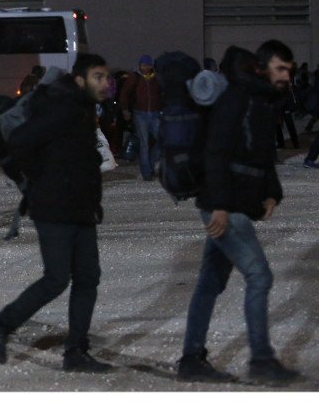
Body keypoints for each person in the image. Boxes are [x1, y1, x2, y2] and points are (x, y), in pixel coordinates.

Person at [176, 41, 301, 385]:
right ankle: (261, 360)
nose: (285, 76)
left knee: (209, 283)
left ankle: (191, 358)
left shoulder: (259, 101)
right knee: (259, 276)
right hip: (226, 208)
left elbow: (261, 155)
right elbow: (215, 152)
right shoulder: (236, 98)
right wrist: (218, 205)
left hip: (235, 204)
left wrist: (272, 193)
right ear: (261, 68)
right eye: (279, 68)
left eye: (288, 69)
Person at [0, 53, 113, 372]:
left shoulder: (81, 107)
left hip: (80, 208)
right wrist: (43, 181)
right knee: (57, 278)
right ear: (80, 79)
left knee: (88, 277)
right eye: (98, 76)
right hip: (54, 207)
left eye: (106, 76)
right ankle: (1, 324)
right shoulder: (63, 107)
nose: (106, 83)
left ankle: (76, 352)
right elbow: (20, 142)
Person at [119, 54, 161, 181]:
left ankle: (149, 165)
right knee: (144, 144)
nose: (145, 68)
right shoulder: (134, 77)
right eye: (143, 65)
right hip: (140, 114)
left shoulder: (156, 78)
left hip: (155, 113)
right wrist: (125, 110)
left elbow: (162, 93)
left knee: (162, 140)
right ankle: (147, 172)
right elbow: (124, 94)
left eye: (147, 65)